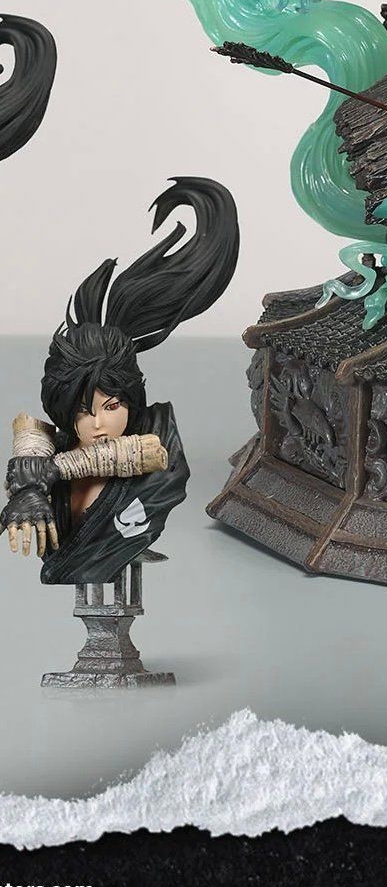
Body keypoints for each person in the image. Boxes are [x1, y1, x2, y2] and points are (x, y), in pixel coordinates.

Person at [3, 177, 239, 584]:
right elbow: (31, 440)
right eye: (83, 412)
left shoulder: (159, 453)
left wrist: (49, 472)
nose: (98, 424)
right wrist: (29, 487)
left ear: (130, 400)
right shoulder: (43, 455)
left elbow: (157, 481)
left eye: (111, 406)